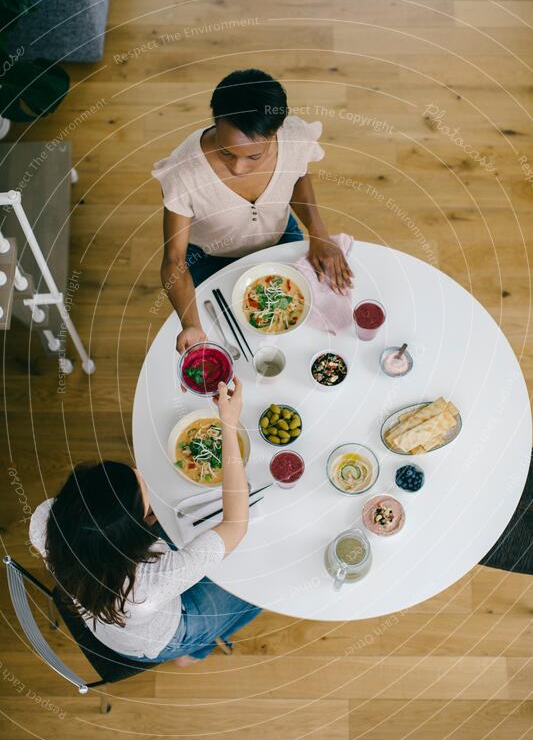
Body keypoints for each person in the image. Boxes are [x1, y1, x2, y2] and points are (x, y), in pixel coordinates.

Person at [29, 378, 260, 666]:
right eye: (143, 488)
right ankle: (192, 653)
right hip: (164, 633)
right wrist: (229, 424)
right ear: (135, 531)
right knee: (256, 590)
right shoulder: (146, 585)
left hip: (107, 614)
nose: (141, 471)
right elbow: (236, 524)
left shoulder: (45, 518)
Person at [152, 68, 353, 353]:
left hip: (280, 237)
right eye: (226, 152)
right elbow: (174, 260)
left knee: (307, 332)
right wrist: (190, 324)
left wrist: (318, 232)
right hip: (210, 258)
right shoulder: (184, 172)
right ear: (215, 121)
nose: (238, 168)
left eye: (254, 156)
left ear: (277, 132)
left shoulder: (294, 139)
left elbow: (297, 175)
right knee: (232, 340)